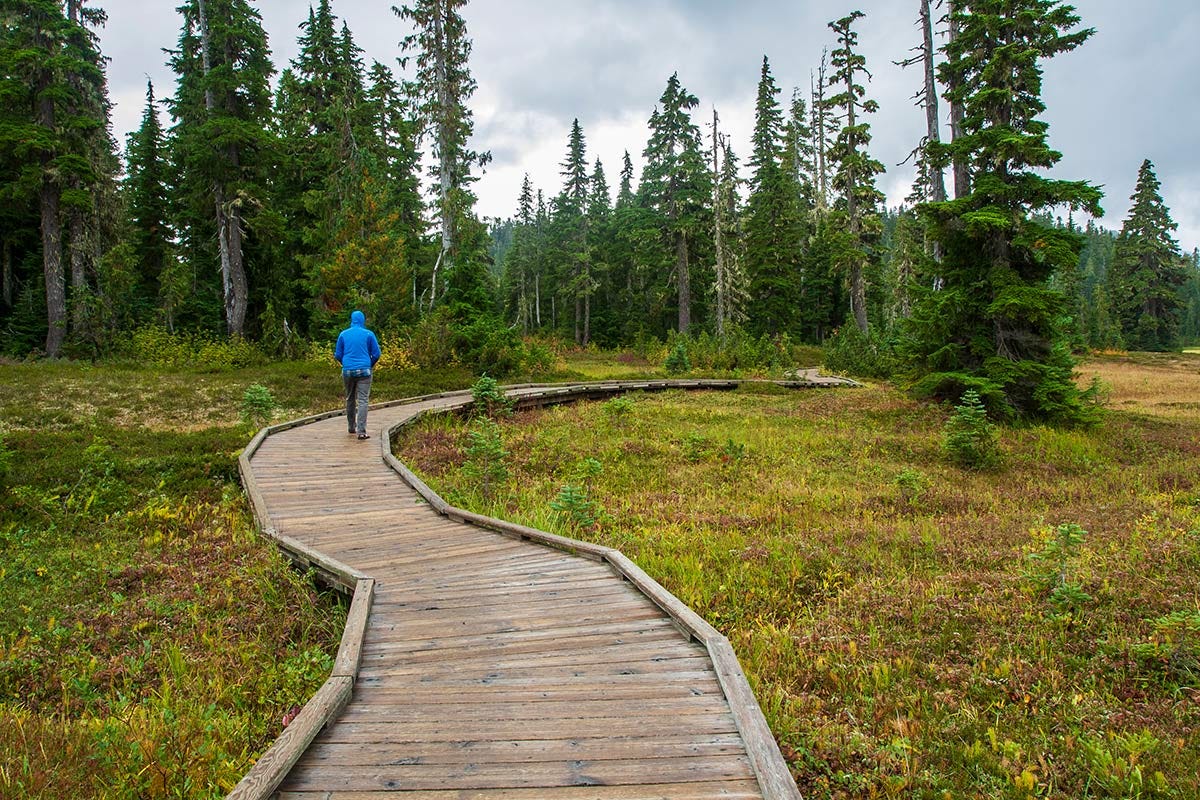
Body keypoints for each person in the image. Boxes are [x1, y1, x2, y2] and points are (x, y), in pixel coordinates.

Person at [334, 310, 381, 440]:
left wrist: (346, 364)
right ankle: (361, 431)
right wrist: (369, 364)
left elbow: (338, 354)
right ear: (362, 320)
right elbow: (376, 353)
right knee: (363, 400)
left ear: (352, 320)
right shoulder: (368, 334)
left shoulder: (343, 334)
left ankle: (351, 427)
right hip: (364, 371)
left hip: (348, 370)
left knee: (350, 398)